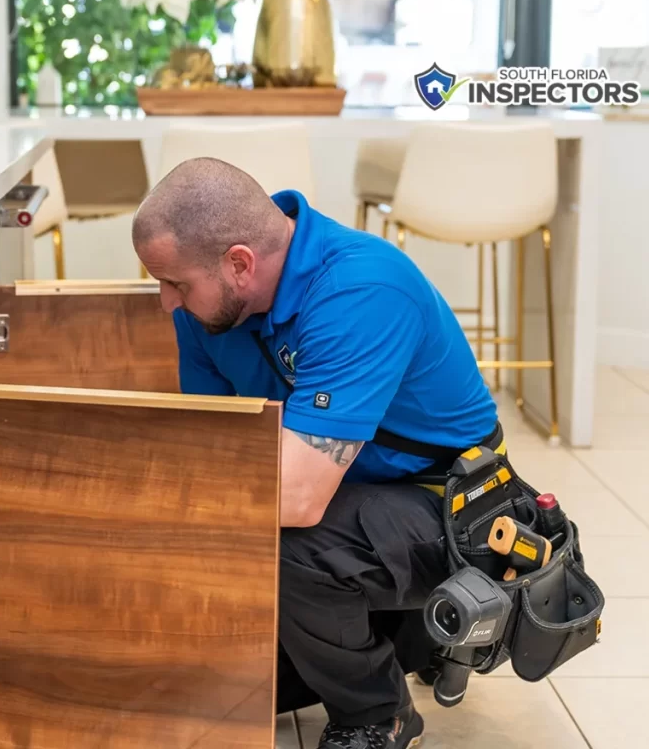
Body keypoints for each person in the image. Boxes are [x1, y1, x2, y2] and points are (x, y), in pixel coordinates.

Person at [132, 157, 500, 749]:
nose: (165, 302)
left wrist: (137, 505)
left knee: (294, 546)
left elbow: (293, 499)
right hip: (347, 494)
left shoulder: (361, 289)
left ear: (239, 263)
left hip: (448, 502)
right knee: (250, 685)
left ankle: (378, 715)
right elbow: (218, 449)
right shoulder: (210, 310)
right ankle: (409, 638)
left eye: (176, 283)